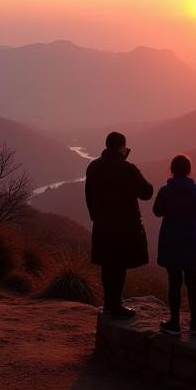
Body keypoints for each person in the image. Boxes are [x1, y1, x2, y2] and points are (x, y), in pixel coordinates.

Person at [85, 131, 153, 318]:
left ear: (107, 146)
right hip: (124, 227)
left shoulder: (93, 167)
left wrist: (95, 217)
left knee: (107, 266)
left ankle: (109, 304)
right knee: (119, 266)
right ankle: (116, 306)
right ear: (122, 147)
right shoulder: (127, 168)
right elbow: (147, 192)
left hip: (102, 225)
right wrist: (127, 163)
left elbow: (89, 196)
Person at [153, 154, 196, 336]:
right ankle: (194, 323)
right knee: (193, 283)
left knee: (174, 282)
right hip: (193, 240)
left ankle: (175, 322)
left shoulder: (165, 191)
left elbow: (157, 211)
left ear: (171, 170)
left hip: (172, 241)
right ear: (189, 171)